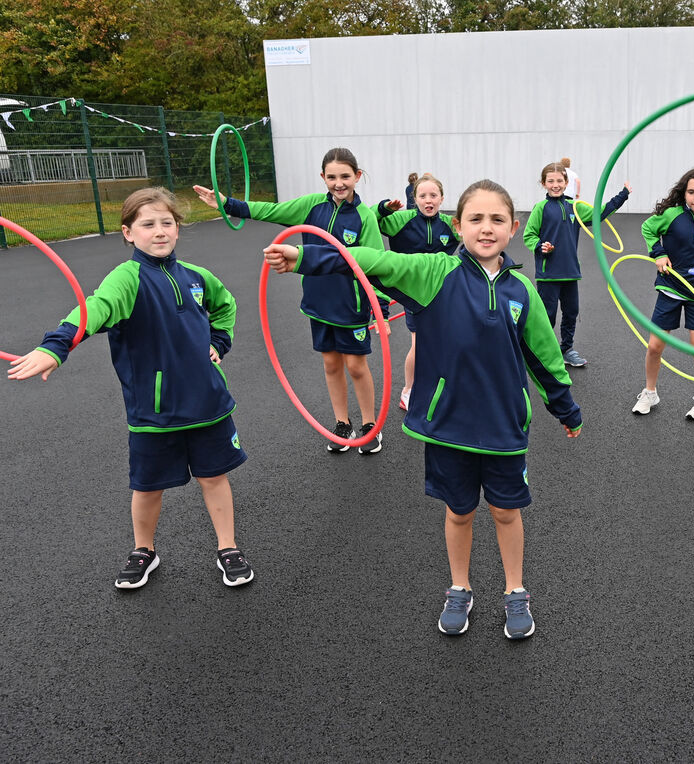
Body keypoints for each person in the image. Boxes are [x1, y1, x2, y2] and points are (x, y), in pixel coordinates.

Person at [263, 179, 582, 640]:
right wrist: (305, 259)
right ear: (458, 226)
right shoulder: (435, 273)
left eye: (496, 220)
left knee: (507, 512)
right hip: (448, 426)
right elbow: (376, 260)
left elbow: (545, 357)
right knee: (458, 511)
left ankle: (515, 590)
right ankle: (459, 587)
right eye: (475, 219)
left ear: (514, 228)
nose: (486, 228)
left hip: (503, 428)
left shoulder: (523, 292)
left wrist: (566, 409)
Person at [7, 188, 254, 589]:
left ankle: (228, 547)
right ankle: (144, 550)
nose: (159, 231)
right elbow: (96, 307)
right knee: (147, 485)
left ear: (177, 228)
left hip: (208, 402)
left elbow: (225, 304)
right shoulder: (127, 278)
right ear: (128, 232)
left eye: (167, 223)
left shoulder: (195, 276)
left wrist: (218, 342)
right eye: (148, 224)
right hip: (154, 410)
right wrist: (56, 347)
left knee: (215, 478)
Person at [194, 147, 387, 454]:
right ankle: (342, 423)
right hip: (318, 302)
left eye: (346, 176)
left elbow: (378, 263)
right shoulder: (311, 206)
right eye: (332, 177)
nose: (339, 183)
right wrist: (226, 204)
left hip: (351, 306)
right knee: (331, 363)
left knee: (356, 365)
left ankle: (369, 426)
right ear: (323, 177)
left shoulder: (365, 217)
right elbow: (270, 211)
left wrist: (382, 310)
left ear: (357, 177)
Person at [633, 167, 694, 421]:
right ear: (684, 193)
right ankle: (650, 392)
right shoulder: (671, 214)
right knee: (655, 346)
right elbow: (648, 228)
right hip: (671, 287)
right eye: (691, 192)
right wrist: (659, 253)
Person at [525, 161, 630, 367]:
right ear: (544, 184)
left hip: (570, 272)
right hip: (548, 274)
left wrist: (623, 195)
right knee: (547, 315)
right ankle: (545, 351)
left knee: (571, 312)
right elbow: (529, 235)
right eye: (550, 181)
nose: (555, 184)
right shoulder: (541, 208)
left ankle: (567, 349)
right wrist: (540, 245)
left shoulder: (575, 207)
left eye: (559, 181)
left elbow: (601, 212)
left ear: (566, 183)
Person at [377, 173, 460, 409]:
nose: (428, 200)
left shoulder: (450, 224)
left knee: (444, 341)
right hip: (413, 292)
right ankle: (409, 390)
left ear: (442, 198)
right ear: (415, 199)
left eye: (433, 195)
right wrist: (383, 209)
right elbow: (368, 220)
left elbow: (472, 238)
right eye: (422, 196)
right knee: (420, 342)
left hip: (442, 292)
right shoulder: (401, 219)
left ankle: (437, 387)